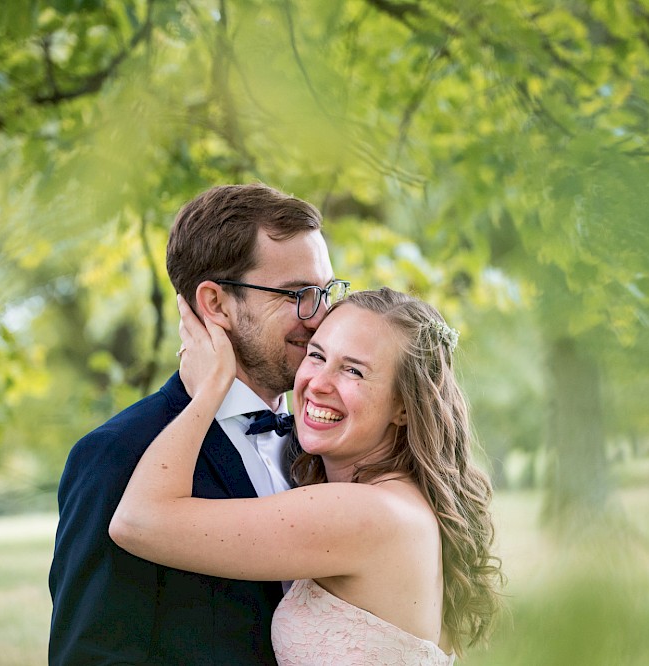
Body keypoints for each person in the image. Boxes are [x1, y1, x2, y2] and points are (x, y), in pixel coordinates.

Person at [110, 288, 503, 664]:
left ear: (404, 406)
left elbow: (138, 521)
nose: (318, 383)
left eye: (353, 370)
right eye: (316, 356)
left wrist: (210, 386)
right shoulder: (399, 500)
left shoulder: (364, 513)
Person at [49, 183, 348, 665]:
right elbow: (91, 655)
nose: (320, 317)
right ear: (215, 304)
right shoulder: (118, 454)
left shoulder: (326, 439)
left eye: (326, 292)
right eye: (296, 294)